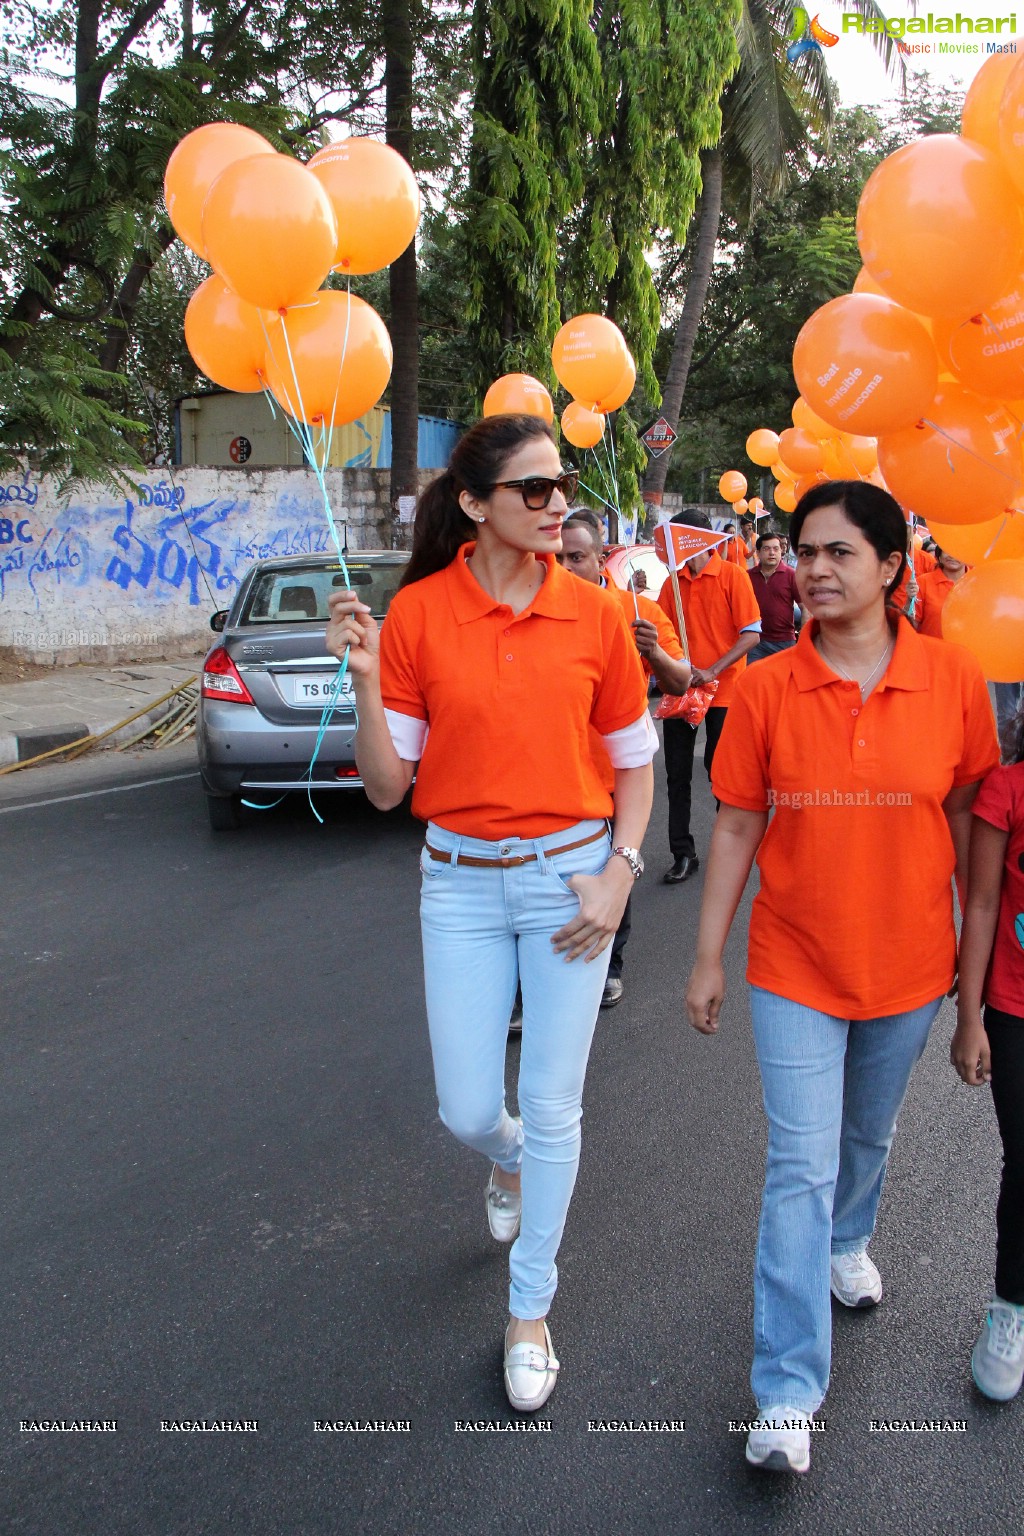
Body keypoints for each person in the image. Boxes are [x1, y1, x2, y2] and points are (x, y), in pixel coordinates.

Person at [325, 414, 656, 1412]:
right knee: (468, 1107)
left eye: (563, 488)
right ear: (475, 504)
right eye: (536, 490)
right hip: (460, 884)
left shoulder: (594, 613)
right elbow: (387, 790)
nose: (559, 506)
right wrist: (368, 680)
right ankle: (504, 1159)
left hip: (570, 882)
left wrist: (619, 875)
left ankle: (528, 1309)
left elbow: (636, 765)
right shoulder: (421, 615)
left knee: (557, 1106)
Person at [684, 479, 998, 1475]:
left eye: (836, 554)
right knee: (797, 1166)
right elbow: (736, 822)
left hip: (909, 964)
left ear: (891, 568)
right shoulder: (765, 687)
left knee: (866, 1134)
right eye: (801, 552)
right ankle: (784, 1392)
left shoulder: (953, 681)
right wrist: (706, 956)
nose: (811, 570)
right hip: (793, 965)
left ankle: (846, 1239)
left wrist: (968, 956)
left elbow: (963, 817)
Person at [557, 512, 691, 1006]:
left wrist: (653, 654)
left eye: (577, 557)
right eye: (558, 557)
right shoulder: (529, 610)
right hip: (551, 774)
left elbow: (681, 680)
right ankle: (535, 981)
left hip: (613, 777)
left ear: (600, 560)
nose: (567, 567)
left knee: (613, 868)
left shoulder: (638, 610)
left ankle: (609, 964)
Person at [950, 700, 1024, 1402]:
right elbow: (980, 902)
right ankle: (1011, 1306)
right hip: (1013, 1006)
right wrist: (969, 1017)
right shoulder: (1006, 788)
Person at [656, 510, 761, 883]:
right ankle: (682, 853)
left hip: (725, 691)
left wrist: (712, 670)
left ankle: (728, 848)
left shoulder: (732, 575)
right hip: (682, 691)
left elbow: (751, 634)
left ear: (696, 539)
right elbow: (662, 634)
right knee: (676, 775)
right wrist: (675, 671)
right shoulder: (672, 583)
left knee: (720, 773)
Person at [748, 531, 801, 662]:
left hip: (784, 641)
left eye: (776, 549)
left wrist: (805, 639)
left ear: (781, 551)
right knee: (753, 680)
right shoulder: (747, 576)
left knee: (784, 681)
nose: (772, 553)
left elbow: (805, 607)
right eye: (767, 549)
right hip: (754, 641)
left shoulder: (791, 575)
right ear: (758, 553)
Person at [913, 546, 967, 639]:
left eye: (957, 551)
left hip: (967, 651)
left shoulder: (976, 582)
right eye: (947, 550)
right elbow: (911, 624)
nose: (952, 556)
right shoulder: (923, 582)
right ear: (939, 557)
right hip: (930, 650)